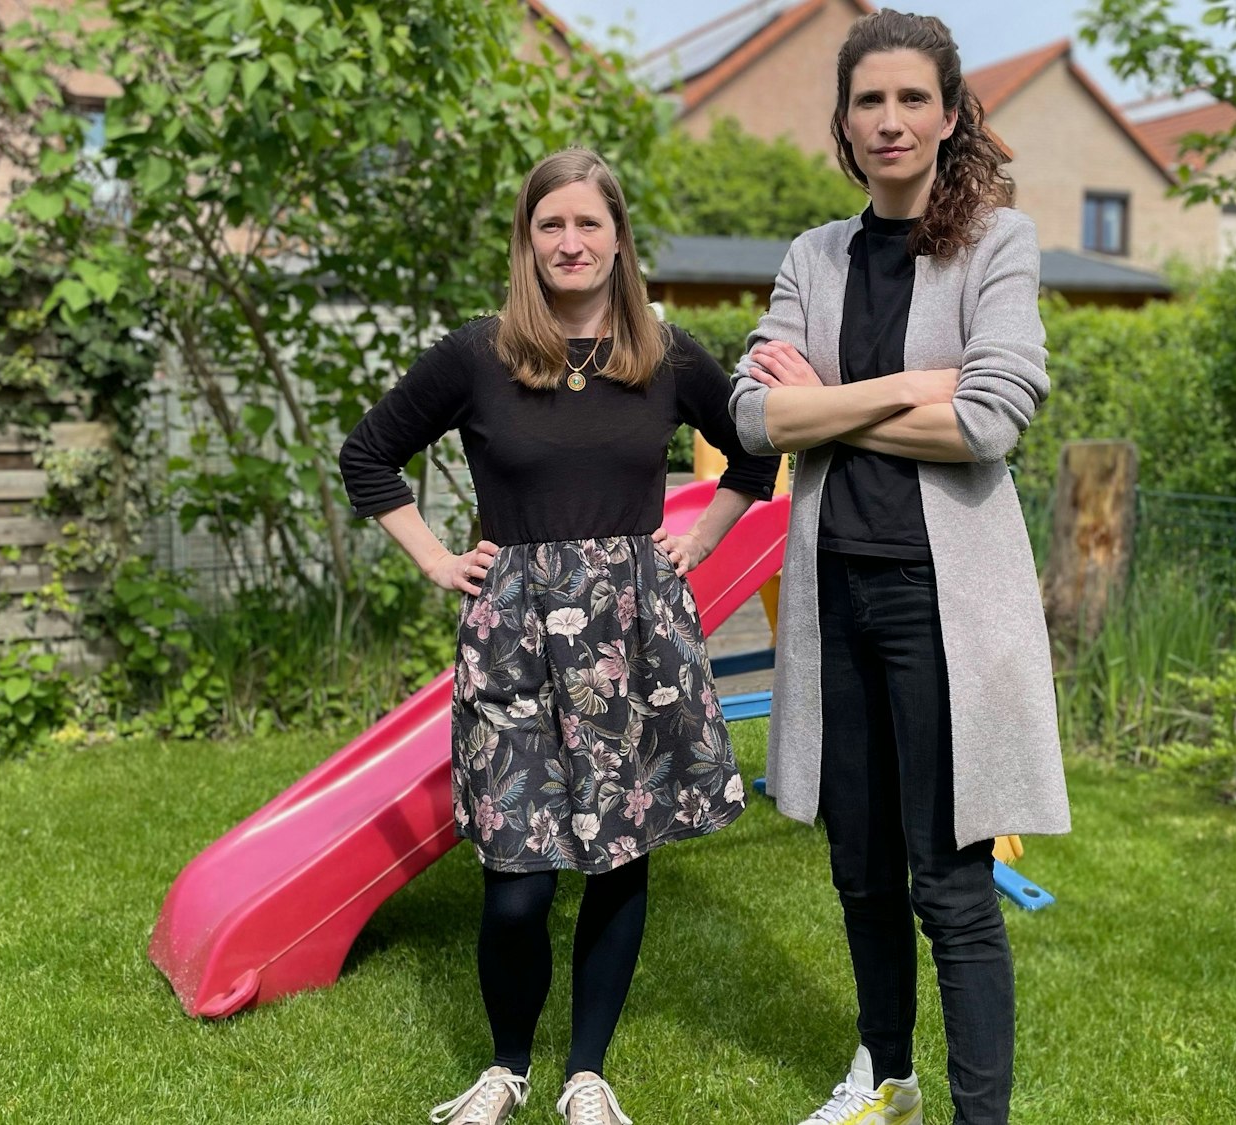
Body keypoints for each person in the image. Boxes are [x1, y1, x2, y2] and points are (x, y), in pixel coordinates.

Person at [338, 147, 780, 1125]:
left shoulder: (662, 354)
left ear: (617, 238)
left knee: (621, 854)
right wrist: (434, 559)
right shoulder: (477, 354)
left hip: (633, 633)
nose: (569, 242)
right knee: (515, 880)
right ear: (526, 240)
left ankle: (586, 1072)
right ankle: (506, 1067)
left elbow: (757, 447)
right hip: (513, 638)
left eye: (588, 224)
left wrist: (696, 541)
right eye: (551, 225)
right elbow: (367, 454)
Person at [728, 11, 1071, 1125]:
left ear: (950, 113)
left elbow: (988, 423)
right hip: (831, 598)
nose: (888, 121)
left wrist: (820, 404)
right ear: (841, 121)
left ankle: (981, 1117)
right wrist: (903, 388)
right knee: (859, 866)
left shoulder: (995, 245)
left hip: (942, 605)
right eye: (867, 101)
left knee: (953, 882)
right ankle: (885, 1079)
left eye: (910, 99)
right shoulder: (811, 256)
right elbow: (749, 416)